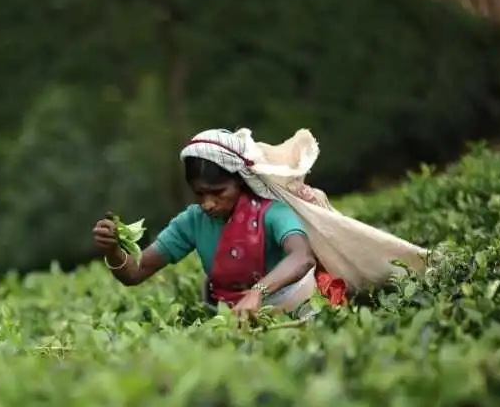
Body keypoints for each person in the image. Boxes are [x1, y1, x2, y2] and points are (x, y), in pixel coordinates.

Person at [92, 128, 348, 320]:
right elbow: (134, 273)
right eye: (200, 194)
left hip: (297, 304)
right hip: (231, 315)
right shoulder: (192, 222)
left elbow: (302, 257)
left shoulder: (271, 211)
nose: (208, 204)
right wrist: (112, 250)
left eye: (218, 192)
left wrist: (257, 293)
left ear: (240, 181)